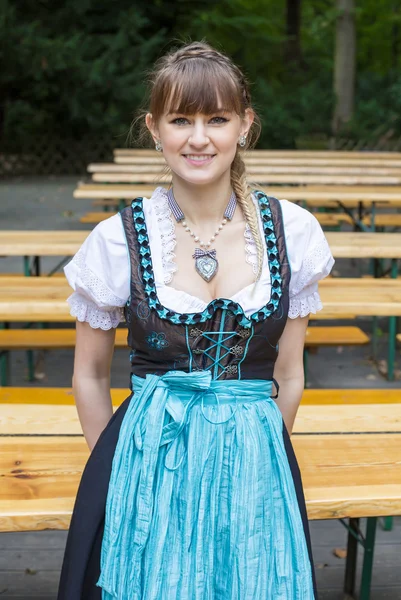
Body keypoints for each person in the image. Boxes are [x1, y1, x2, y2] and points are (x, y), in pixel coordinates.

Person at [57, 40, 334, 600]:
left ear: (245, 126)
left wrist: (254, 454)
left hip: (256, 463)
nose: (199, 137)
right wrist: (121, 469)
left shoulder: (293, 232)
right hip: (147, 459)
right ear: (154, 128)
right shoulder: (116, 239)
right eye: (181, 119)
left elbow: (291, 371)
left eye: (217, 118)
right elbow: (88, 375)